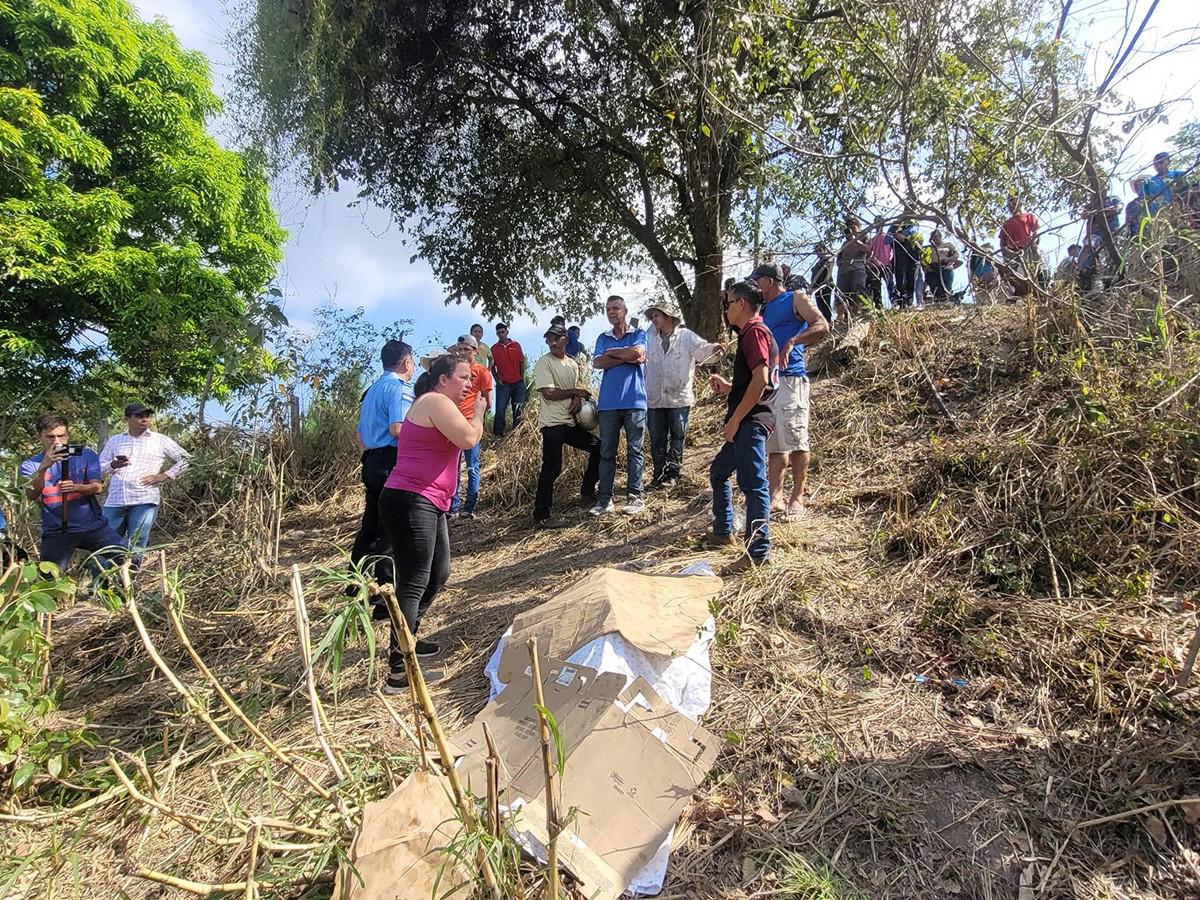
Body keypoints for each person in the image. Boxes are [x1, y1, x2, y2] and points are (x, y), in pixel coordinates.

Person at [379, 355, 485, 692]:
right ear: (443, 379)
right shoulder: (436, 401)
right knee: (413, 582)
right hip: (412, 499)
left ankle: (408, 638)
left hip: (427, 501)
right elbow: (468, 438)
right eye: (464, 377)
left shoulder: (436, 403)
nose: (469, 384)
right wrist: (480, 413)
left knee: (439, 573)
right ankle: (399, 671)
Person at [704, 281, 778, 575]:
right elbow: (755, 380)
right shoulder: (751, 333)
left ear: (742, 305)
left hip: (751, 421)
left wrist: (735, 419)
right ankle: (724, 531)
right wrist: (729, 388)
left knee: (753, 486)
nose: (725, 309)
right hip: (748, 420)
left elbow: (761, 382)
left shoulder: (755, 332)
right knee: (719, 472)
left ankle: (758, 553)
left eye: (728, 303)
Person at [751, 262, 829, 520]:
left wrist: (794, 341)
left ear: (770, 281)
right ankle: (775, 497)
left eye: (758, 280)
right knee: (774, 442)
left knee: (796, 439)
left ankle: (798, 497)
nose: (756, 285)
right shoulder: (763, 308)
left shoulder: (796, 297)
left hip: (792, 377)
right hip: (770, 381)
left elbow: (821, 325)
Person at [20, 414, 127, 576]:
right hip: (57, 531)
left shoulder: (85, 454)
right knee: (49, 579)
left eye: (61, 436)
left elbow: (97, 487)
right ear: (39, 437)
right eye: (50, 437)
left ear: (68, 435)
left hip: (92, 526)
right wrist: (43, 468)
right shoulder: (30, 464)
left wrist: (77, 487)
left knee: (128, 558)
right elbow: (32, 494)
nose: (56, 441)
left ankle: (108, 589)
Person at [350, 340, 416, 590]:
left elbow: (359, 435)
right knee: (391, 529)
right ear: (407, 362)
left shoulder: (372, 391)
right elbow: (398, 429)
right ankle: (384, 592)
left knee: (370, 527)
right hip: (391, 462)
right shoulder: (399, 390)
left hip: (371, 461)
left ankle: (354, 585)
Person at [642, 297, 723, 488]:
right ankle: (658, 474)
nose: (654, 319)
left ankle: (672, 474)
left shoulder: (686, 336)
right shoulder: (647, 338)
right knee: (657, 438)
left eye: (657, 315)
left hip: (679, 398)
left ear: (669, 317)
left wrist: (716, 348)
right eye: (652, 316)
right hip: (654, 398)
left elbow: (703, 351)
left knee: (677, 436)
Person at [98, 403, 190, 568]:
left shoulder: (159, 440)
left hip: (144, 498)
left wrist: (164, 476)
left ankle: (130, 582)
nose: (144, 419)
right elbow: (99, 468)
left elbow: (186, 459)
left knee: (137, 542)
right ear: (127, 419)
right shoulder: (115, 440)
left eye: (147, 416)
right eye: (139, 416)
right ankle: (101, 586)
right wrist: (113, 465)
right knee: (106, 542)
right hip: (115, 500)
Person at [532, 324, 599, 528]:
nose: (552, 342)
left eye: (556, 338)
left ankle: (587, 492)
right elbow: (549, 394)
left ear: (566, 340)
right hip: (552, 424)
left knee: (598, 447)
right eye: (549, 338)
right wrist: (576, 392)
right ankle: (541, 516)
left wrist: (577, 398)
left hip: (569, 422)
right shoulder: (544, 363)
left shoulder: (572, 364)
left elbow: (574, 397)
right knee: (552, 467)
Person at [591, 295, 648, 517]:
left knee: (635, 450)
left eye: (616, 308)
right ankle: (605, 499)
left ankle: (635, 497)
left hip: (635, 400)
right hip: (608, 403)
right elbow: (597, 362)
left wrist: (613, 353)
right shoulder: (602, 337)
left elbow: (638, 353)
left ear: (625, 310)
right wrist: (628, 356)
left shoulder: (639, 333)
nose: (612, 312)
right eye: (608, 309)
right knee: (606, 452)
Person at [448, 336, 493, 520]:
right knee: (454, 467)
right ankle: (452, 507)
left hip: (471, 422)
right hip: (454, 422)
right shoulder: (454, 371)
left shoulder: (482, 372)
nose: (462, 352)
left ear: (475, 351)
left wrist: (479, 419)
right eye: (460, 349)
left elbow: (488, 401)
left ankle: (469, 507)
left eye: (466, 349)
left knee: (472, 467)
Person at [999, 196, 1041, 298]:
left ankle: (1038, 291)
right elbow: (1002, 241)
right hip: (1013, 252)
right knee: (1014, 274)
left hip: (1028, 248)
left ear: (1020, 203)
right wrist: (1006, 253)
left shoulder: (1029, 216)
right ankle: (1019, 293)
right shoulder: (1007, 223)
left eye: (1013, 203)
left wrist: (1034, 245)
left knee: (1032, 270)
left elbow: (1036, 232)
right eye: (1009, 205)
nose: (1011, 206)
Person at [835, 219, 872, 330]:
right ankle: (840, 319)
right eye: (848, 227)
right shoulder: (844, 243)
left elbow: (868, 250)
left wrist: (855, 240)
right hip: (843, 272)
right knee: (842, 295)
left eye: (852, 226)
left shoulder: (864, 237)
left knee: (859, 293)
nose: (850, 229)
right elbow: (839, 259)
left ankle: (857, 316)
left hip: (858, 269)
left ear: (858, 226)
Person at [490, 323, 525, 437]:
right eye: (499, 332)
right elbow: (492, 366)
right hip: (503, 384)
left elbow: (522, 362)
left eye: (503, 332)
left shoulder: (516, 345)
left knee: (518, 409)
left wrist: (521, 377)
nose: (501, 334)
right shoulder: (494, 348)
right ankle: (498, 434)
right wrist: (496, 379)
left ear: (507, 332)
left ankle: (517, 434)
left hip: (518, 383)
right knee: (500, 409)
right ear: (496, 334)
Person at [1137, 151, 1187, 216]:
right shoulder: (1149, 182)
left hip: (1181, 211)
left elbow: (1186, 191)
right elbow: (1141, 197)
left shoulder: (1178, 174)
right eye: (1155, 164)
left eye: (1161, 162)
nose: (1158, 166)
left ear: (1168, 161)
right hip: (1160, 215)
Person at [891, 221, 923, 310]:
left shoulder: (915, 226)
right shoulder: (895, 225)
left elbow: (917, 241)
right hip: (900, 257)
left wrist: (904, 238)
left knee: (911, 280)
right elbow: (887, 240)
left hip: (913, 257)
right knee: (900, 279)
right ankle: (901, 302)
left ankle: (908, 302)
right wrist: (895, 235)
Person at [925, 230, 961, 302]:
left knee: (946, 288)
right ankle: (938, 303)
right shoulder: (928, 248)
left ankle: (948, 303)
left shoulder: (948, 245)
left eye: (936, 236)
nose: (934, 239)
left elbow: (956, 254)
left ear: (940, 237)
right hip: (933, 270)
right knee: (935, 288)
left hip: (945, 269)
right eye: (932, 237)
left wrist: (948, 259)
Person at [866, 216, 894, 310]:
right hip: (874, 267)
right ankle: (879, 307)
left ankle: (895, 304)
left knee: (890, 286)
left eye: (878, 222)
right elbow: (869, 252)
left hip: (886, 265)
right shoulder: (872, 240)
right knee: (876, 288)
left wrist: (891, 262)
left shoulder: (889, 237)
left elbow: (893, 251)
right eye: (875, 222)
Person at [809, 244, 835, 322]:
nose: (818, 252)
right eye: (817, 251)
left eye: (820, 250)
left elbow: (830, 269)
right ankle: (824, 323)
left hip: (825, 285)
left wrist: (826, 281)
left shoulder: (828, 259)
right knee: (820, 307)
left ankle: (829, 322)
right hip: (816, 287)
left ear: (825, 250)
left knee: (826, 304)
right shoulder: (817, 264)